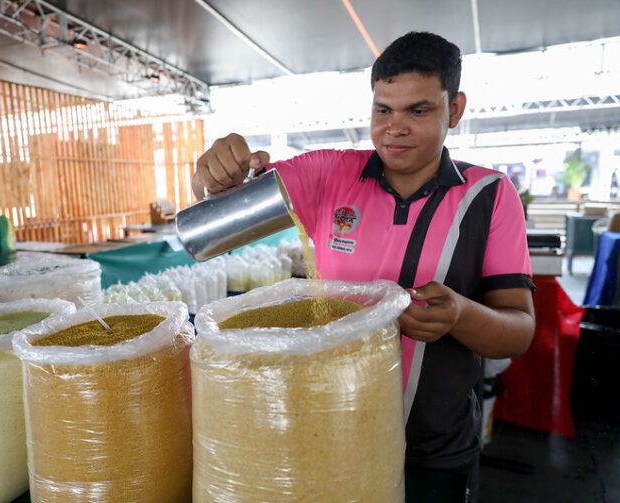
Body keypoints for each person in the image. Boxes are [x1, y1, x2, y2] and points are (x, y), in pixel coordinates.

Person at [191, 31, 536, 503]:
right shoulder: (329, 173)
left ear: (454, 109)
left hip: (434, 446)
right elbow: (206, 228)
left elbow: (519, 330)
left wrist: (460, 314)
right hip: (328, 430)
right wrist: (214, 171)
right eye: (383, 110)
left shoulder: (489, 196)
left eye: (418, 110)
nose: (395, 128)